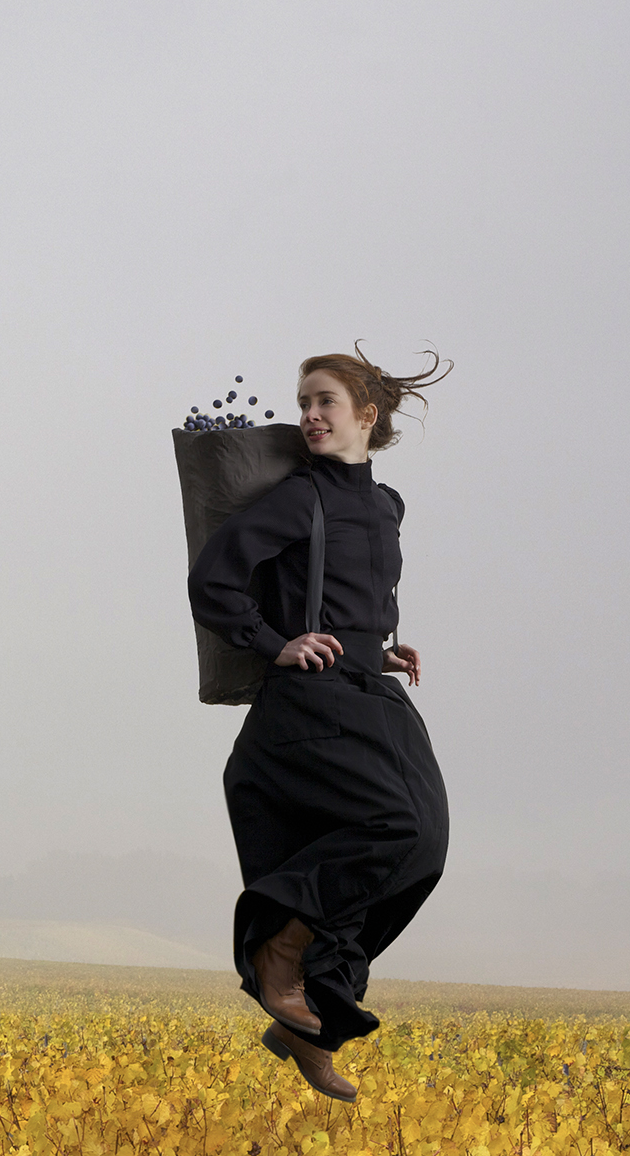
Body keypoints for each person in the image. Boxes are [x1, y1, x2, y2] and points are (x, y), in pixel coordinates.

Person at [187, 347, 451, 1104]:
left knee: (424, 845)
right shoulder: (299, 496)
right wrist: (278, 643)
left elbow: (353, 585)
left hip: (367, 686)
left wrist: (384, 642)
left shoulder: (386, 504)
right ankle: (282, 952)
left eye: (325, 402)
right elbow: (214, 578)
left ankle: (312, 1020)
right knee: (397, 826)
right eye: (304, 402)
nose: (309, 415)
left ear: (367, 415)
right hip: (313, 699)